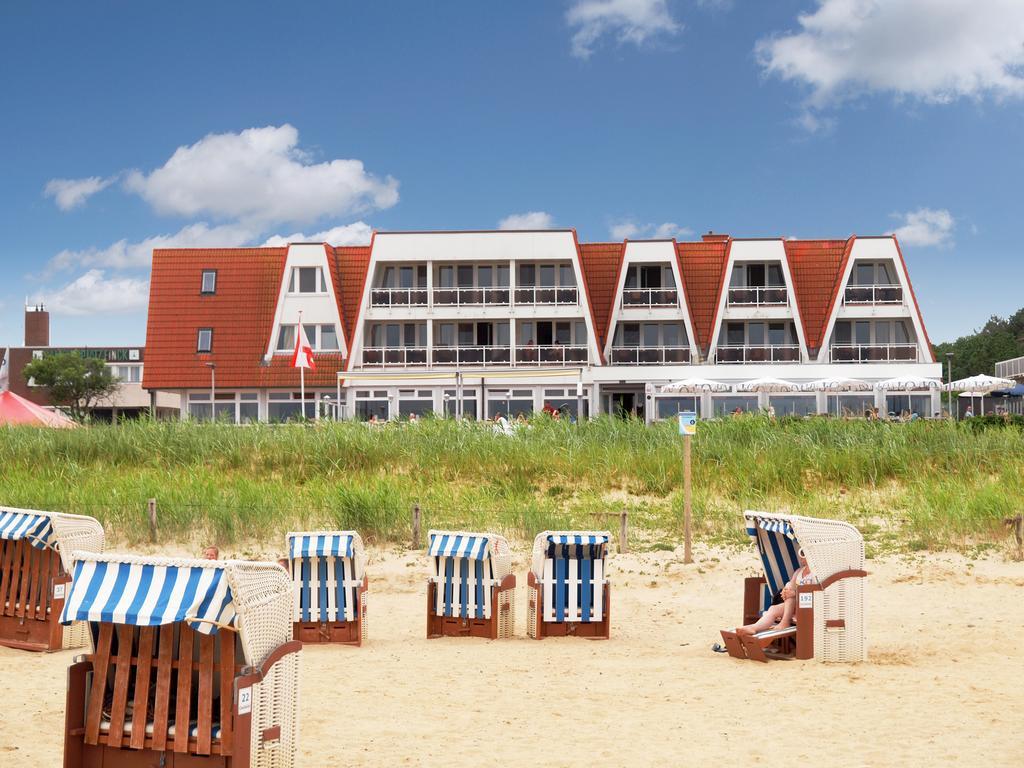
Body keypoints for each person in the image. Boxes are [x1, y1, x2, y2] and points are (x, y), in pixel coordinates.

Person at [735, 549, 817, 636]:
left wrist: (795, 593)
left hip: (810, 605)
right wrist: (785, 592)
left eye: (803, 554)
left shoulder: (817, 573)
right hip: (796, 606)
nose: (801, 557)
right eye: (801, 553)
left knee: (790, 588)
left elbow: (820, 592)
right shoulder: (799, 572)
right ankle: (754, 628)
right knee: (774, 608)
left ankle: (785, 621)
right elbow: (790, 589)